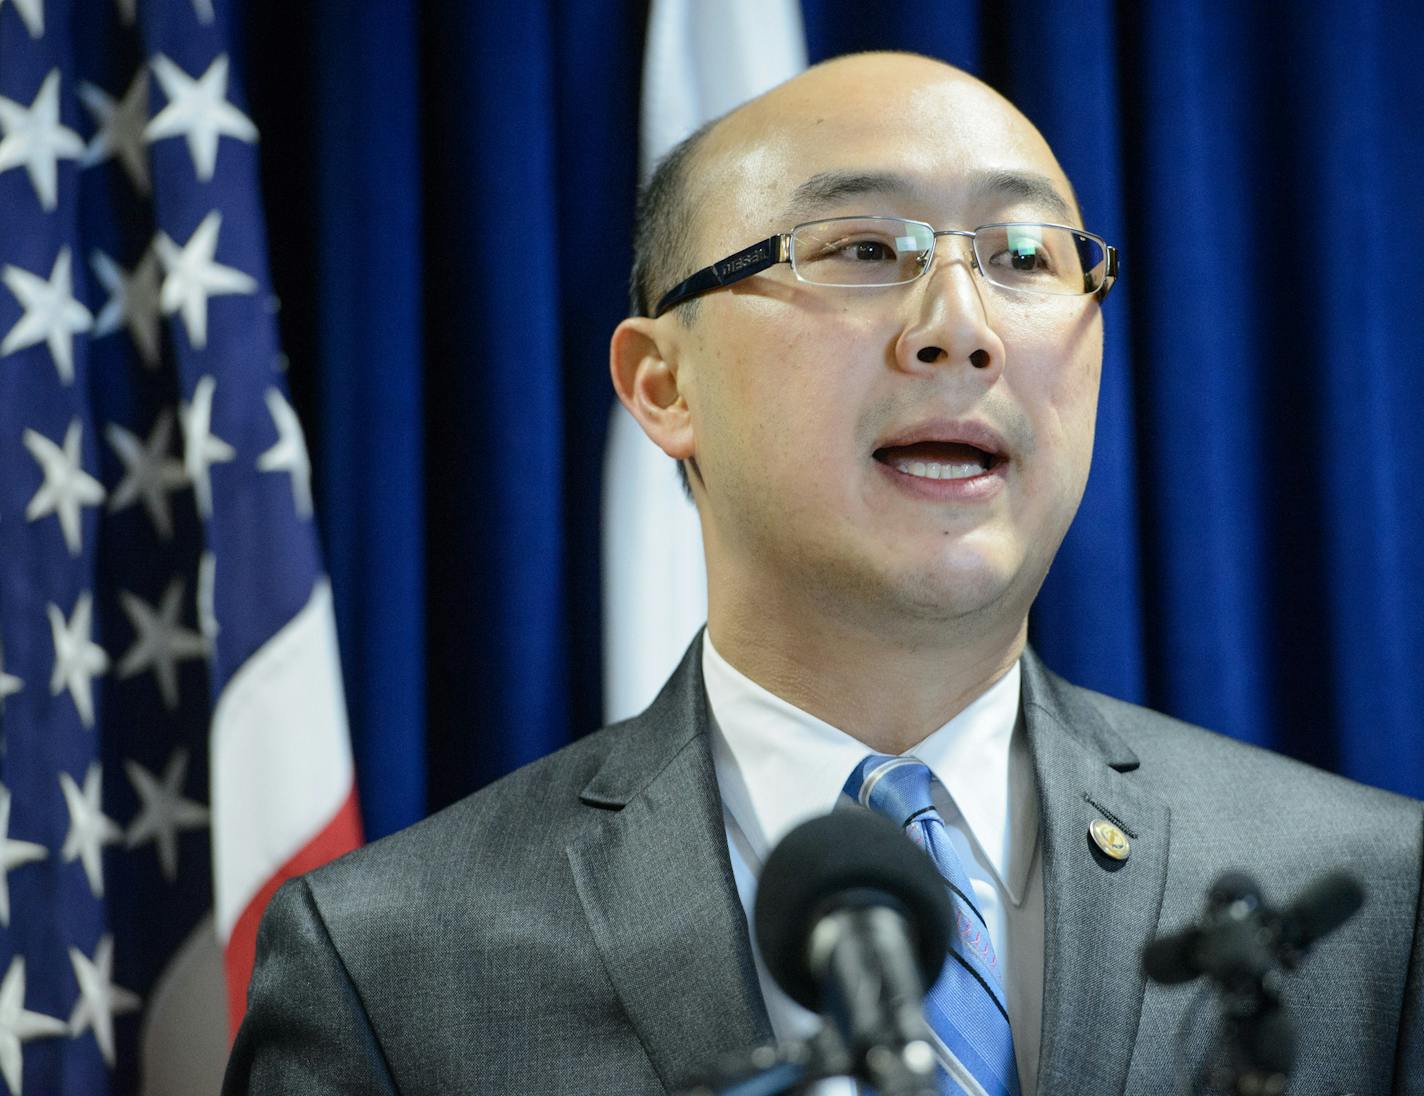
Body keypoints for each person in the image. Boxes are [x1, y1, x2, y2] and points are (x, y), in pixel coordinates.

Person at [224, 52, 1423, 1096]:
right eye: (859, 247)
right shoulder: (388, 965)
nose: (961, 325)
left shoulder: (1369, 902)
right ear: (662, 384)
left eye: (1020, 253)